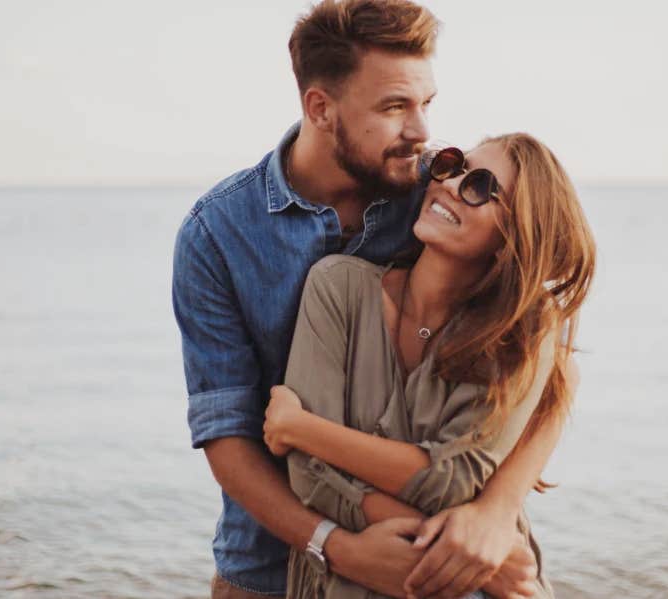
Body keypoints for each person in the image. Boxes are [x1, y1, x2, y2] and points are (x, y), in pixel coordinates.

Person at [172, 1, 572, 597]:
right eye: (393, 107)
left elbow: (547, 363)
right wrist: (336, 546)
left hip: (447, 567)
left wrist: (493, 515)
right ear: (320, 107)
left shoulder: (437, 191)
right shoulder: (218, 233)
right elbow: (228, 437)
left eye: (425, 104)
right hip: (267, 569)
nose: (421, 132)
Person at [262, 136, 595, 598]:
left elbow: (452, 480)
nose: (451, 185)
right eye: (452, 166)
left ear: (513, 236)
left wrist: (300, 428)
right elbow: (308, 475)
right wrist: (468, 550)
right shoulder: (338, 289)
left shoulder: (518, 337)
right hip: (387, 579)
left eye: (480, 186)